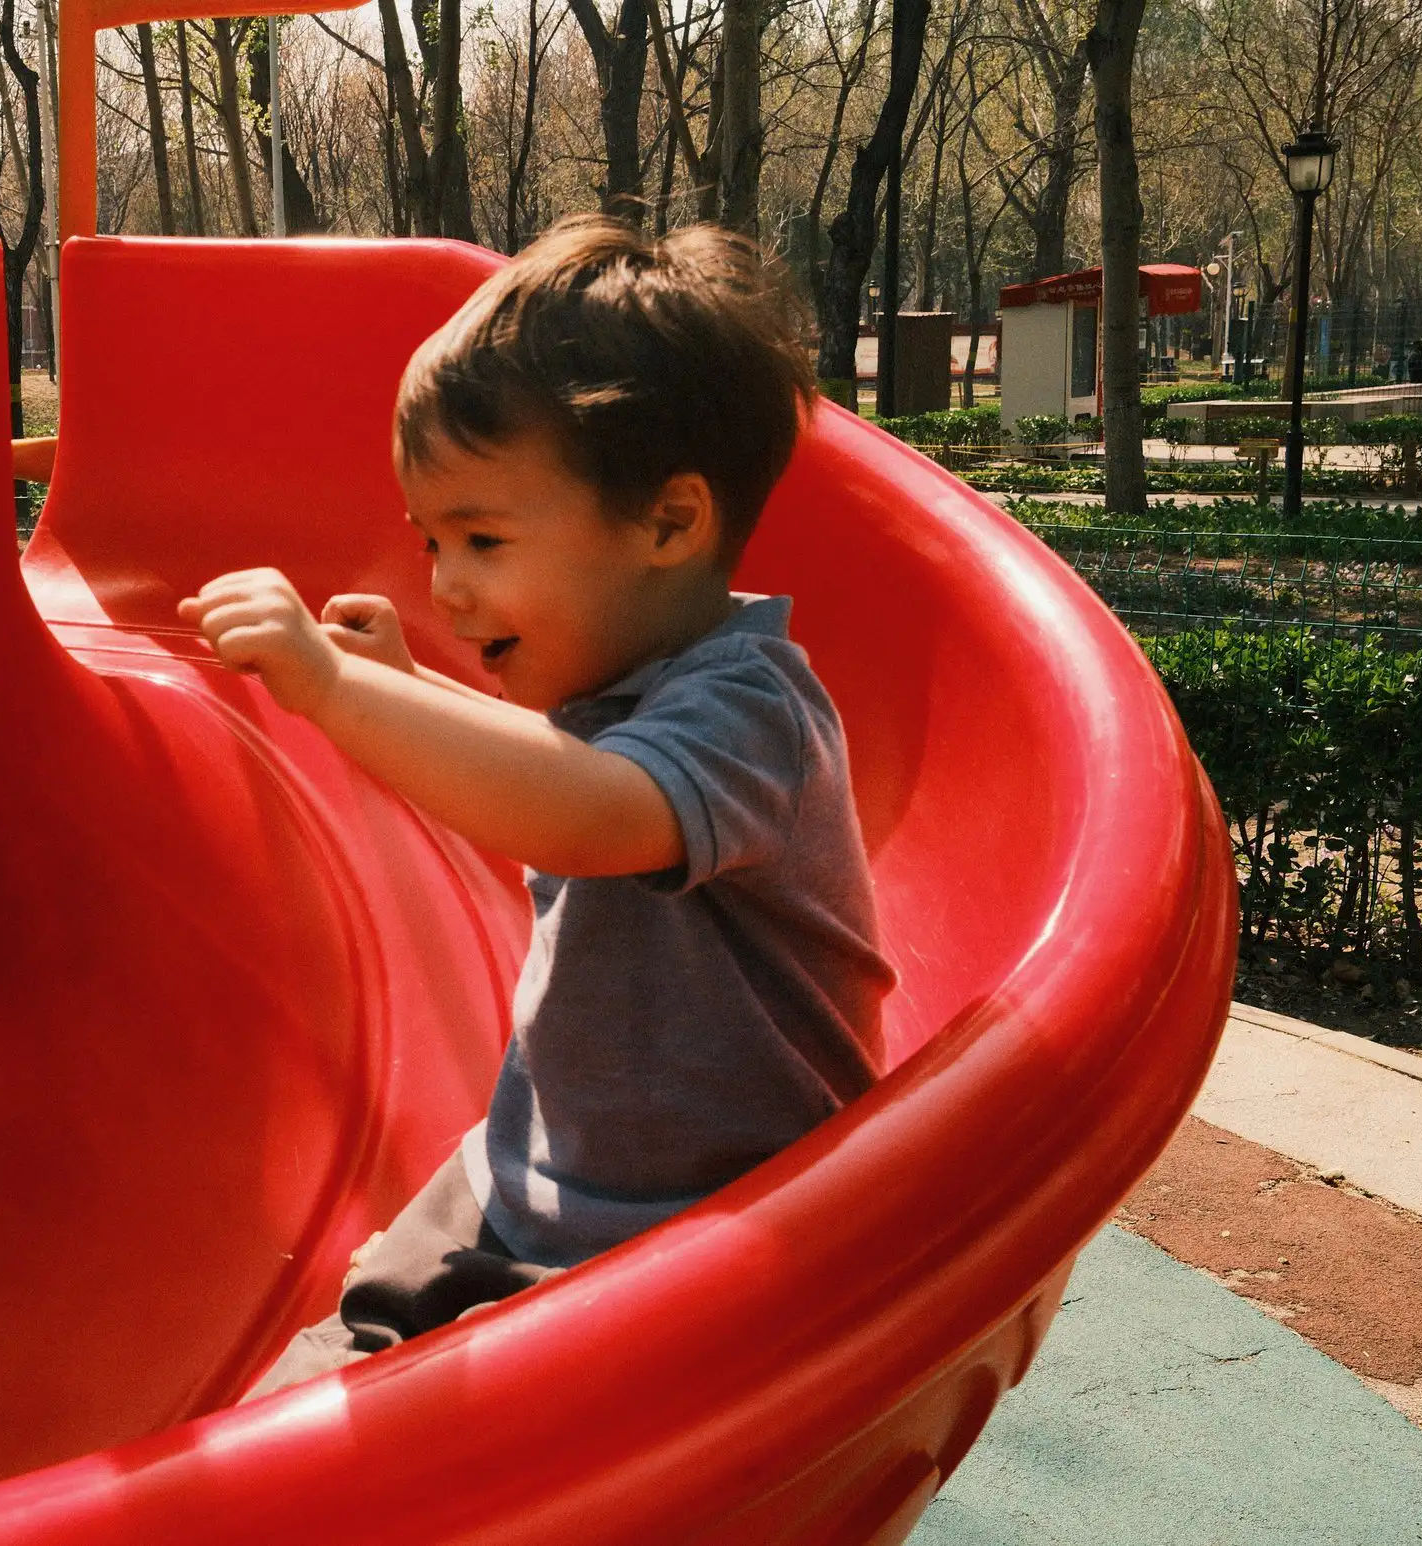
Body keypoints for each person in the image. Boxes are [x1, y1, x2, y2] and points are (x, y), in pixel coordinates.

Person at [177, 216, 897, 1398]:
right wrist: (406, 687)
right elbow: (545, 768)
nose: (443, 581)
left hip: (699, 1239)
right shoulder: (609, 691)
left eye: (482, 538)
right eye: (430, 537)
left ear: (668, 522)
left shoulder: (753, 711)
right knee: (296, 1403)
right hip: (529, 1181)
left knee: (429, 1451)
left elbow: (584, 813)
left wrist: (335, 687)